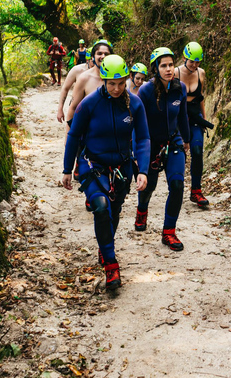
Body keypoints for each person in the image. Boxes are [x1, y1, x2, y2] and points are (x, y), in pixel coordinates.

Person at [62, 55, 150, 290]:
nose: (116, 88)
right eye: (111, 83)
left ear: (126, 79)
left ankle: (105, 245)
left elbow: (142, 138)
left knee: (114, 211)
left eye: (121, 83)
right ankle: (111, 266)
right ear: (103, 79)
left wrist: (142, 170)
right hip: (93, 166)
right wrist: (67, 169)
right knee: (101, 208)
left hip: (122, 168)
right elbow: (73, 136)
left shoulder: (135, 104)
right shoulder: (89, 104)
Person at [136, 47, 190, 251]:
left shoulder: (180, 88)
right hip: (151, 144)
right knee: (149, 186)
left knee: (177, 186)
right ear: (156, 68)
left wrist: (186, 140)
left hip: (173, 141)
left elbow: (183, 116)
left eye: (171, 65)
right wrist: (137, 149)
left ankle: (169, 232)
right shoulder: (146, 91)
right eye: (163, 65)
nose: (168, 69)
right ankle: (142, 210)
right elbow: (137, 123)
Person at [175, 42, 212, 208]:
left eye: (197, 62)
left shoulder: (201, 73)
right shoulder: (175, 73)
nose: (194, 65)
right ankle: (175, 187)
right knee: (179, 153)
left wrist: (203, 119)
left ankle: (196, 190)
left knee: (197, 151)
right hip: (178, 116)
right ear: (184, 58)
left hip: (195, 116)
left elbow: (200, 97)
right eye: (191, 61)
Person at [66, 40, 113, 122]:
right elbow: (73, 109)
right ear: (93, 56)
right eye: (99, 53)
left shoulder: (118, 78)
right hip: (89, 128)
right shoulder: (84, 78)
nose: (103, 56)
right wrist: (69, 134)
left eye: (106, 54)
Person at [57, 47, 94, 123]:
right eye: (92, 61)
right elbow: (65, 88)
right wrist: (60, 109)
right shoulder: (77, 70)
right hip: (77, 106)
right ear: (87, 60)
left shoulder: (103, 72)